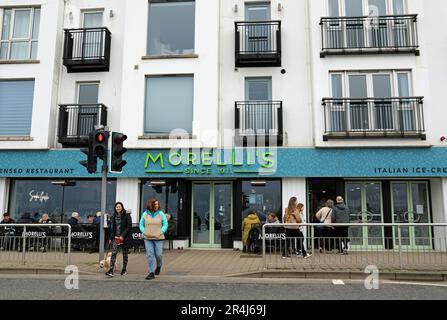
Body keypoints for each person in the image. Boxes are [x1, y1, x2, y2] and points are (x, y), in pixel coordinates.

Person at [139, 199, 168, 280]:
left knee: (159, 254)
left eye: (157, 204)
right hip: (148, 238)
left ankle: (159, 266)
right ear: (151, 205)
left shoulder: (161, 213)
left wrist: (161, 231)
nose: (157, 206)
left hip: (159, 237)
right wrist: (143, 231)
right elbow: (141, 224)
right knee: (150, 255)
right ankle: (151, 272)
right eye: (155, 204)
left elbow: (165, 224)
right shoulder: (145, 214)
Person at [105, 202, 132, 277]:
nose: (118, 208)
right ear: (115, 208)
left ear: (122, 207)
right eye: (117, 207)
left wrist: (122, 236)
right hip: (116, 238)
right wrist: (110, 238)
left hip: (124, 238)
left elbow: (129, 226)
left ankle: (124, 269)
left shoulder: (127, 215)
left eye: (119, 207)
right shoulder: (113, 216)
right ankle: (111, 270)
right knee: (114, 253)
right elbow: (112, 228)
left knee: (125, 254)